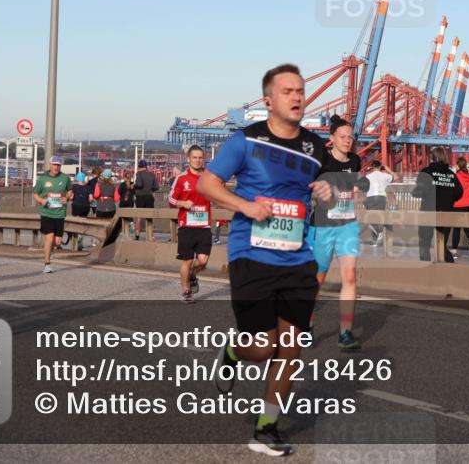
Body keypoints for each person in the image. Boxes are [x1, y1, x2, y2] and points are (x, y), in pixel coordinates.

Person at [196, 63, 333, 457]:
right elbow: (207, 183)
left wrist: (328, 188)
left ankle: (266, 427)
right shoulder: (245, 140)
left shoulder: (315, 147)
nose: (297, 97)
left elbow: (326, 185)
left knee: (290, 348)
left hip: (297, 258)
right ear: (269, 101)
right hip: (252, 255)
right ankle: (233, 352)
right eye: (287, 91)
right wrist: (245, 206)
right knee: (261, 348)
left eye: (300, 91)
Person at [306, 115, 369, 350]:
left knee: (350, 276)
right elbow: (308, 187)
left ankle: (345, 333)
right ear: (331, 138)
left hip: (347, 225)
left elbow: (356, 184)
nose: (347, 141)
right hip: (322, 226)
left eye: (350, 137)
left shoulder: (355, 160)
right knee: (317, 280)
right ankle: (307, 324)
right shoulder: (321, 160)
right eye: (342, 137)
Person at [168, 145, 212, 303]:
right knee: (187, 260)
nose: (198, 160)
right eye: (195, 157)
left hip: (204, 225)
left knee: (203, 260)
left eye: (200, 157)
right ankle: (186, 291)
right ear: (188, 159)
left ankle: (193, 274)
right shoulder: (181, 178)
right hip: (186, 225)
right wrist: (183, 203)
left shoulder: (209, 177)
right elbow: (170, 199)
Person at [412, 147, 463, 262]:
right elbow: (459, 192)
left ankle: (425, 268)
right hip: (446, 212)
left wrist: (415, 193)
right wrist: (449, 199)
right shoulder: (451, 174)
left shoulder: (426, 172)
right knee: (441, 244)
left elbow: (422, 190)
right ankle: (450, 266)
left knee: (424, 244)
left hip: (428, 212)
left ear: (431, 157)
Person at [33, 155, 73, 274]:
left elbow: (70, 190)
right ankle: (47, 264)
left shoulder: (65, 178)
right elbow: (35, 193)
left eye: (58, 165)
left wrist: (67, 198)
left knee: (58, 242)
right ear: (50, 165)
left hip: (60, 213)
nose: (56, 167)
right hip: (47, 212)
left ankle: (49, 251)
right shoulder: (42, 179)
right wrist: (41, 200)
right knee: (49, 237)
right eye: (54, 164)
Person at [450, 156, 469, 261]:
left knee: (457, 228)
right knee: (467, 227)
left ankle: (454, 251)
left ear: (458, 166)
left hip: (459, 205)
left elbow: (452, 191)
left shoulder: (456, 177)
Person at [363, 160, 395, 246]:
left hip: (370, 197)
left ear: (372, 167)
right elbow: (396, 177)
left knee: (370, 218)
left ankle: (378, 234)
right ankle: (377, 239)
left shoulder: (368, 176)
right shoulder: (385, 175)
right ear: (380, 167)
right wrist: (388, 170)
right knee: (378, 217)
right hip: (381, 198)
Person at [133, 159, 158, 240]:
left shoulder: (139, 174)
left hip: (140, 197)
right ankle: (150, 236)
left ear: (139, 167)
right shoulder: (152, 174)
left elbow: (139, 184)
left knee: (139, 217)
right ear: (146, 167)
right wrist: (150, 190)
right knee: (149, 218)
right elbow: (156, 187)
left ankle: (137, 236)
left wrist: (134, 186)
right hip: (149, 197)